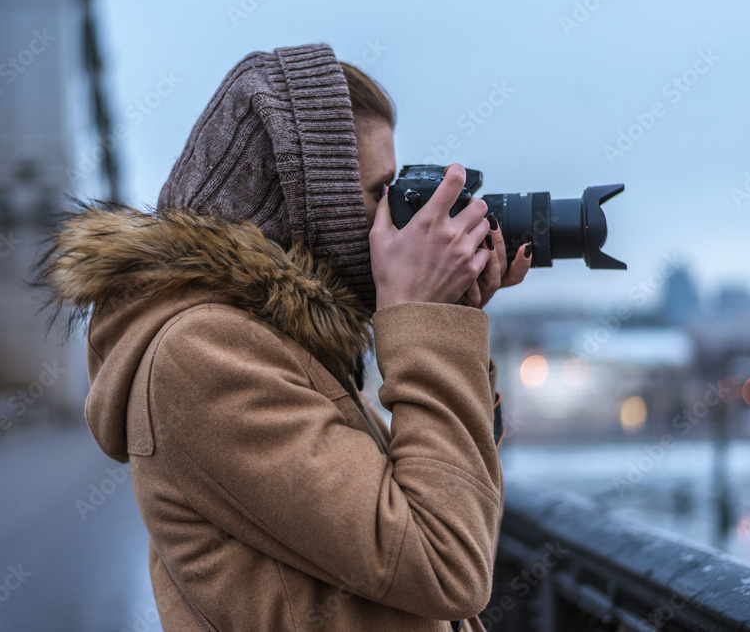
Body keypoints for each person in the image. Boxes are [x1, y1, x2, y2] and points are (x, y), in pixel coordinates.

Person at [32, 42, 530, 631]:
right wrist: (424, 319)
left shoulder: (283, 343)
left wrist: (447, 319)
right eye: (378, 195)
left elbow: (452, 502)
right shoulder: (202, 356)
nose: (396, 221)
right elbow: (445, 561)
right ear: (303, 205)